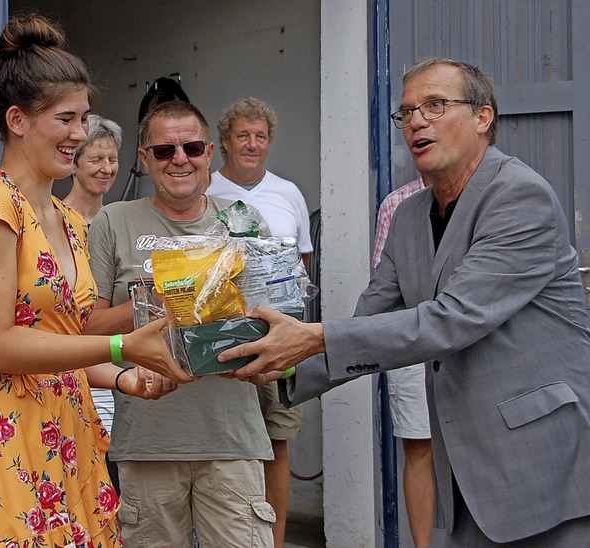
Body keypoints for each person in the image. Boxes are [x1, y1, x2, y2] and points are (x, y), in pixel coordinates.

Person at [219, 58, 590, 546]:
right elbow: (371, 314)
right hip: (466, 468)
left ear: (484, 117)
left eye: (435, 105)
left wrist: (312, 338)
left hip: (540, 460)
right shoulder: (409, 215)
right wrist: (277, 364)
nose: (416, 120)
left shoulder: (519, 197)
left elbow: (452, 320)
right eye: (407, 112)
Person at [0, 14, 185, 547]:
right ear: (17, 119)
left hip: (69, 428)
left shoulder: (71, 219)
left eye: (85, 118)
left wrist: (127, 376)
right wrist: (124, 345)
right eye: (67, 118)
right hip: (6, 432)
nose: (81, 134)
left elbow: (65, 340)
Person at [84, 100, 275, 547]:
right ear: (146, 159)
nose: (180, 159)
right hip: (149, 442)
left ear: (209, 152)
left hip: (232, 441)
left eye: (190, 147)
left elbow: (276, 322)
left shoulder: (243, 221)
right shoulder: (114, 220)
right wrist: (164, 296)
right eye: (165, 151)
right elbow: (87, 330)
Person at [206, 96, 313, 548]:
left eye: (261, 136)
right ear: (224, 142)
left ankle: (277, 541)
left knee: (277, 442)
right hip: (223, 338)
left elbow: (302, 263)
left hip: (279, 338)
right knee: (223, 444)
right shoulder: (205, 190)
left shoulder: (288, 193)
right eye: (243, 135)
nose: (252, 144)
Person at [373, 175, 435, 547]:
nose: (420, 128)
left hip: (472, 341)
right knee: (419, 448)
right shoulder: (397, 204)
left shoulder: (490, 195)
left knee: (476, 446)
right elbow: (383, 285)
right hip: (411, 341)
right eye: (409, 115)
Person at [62, 114, 123, 493]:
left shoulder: (121, 221)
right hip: (78, 368)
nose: (106, 168)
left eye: (112, 159)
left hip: (123, 370)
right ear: (74, 162)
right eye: (96, 159)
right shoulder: (54, 220)